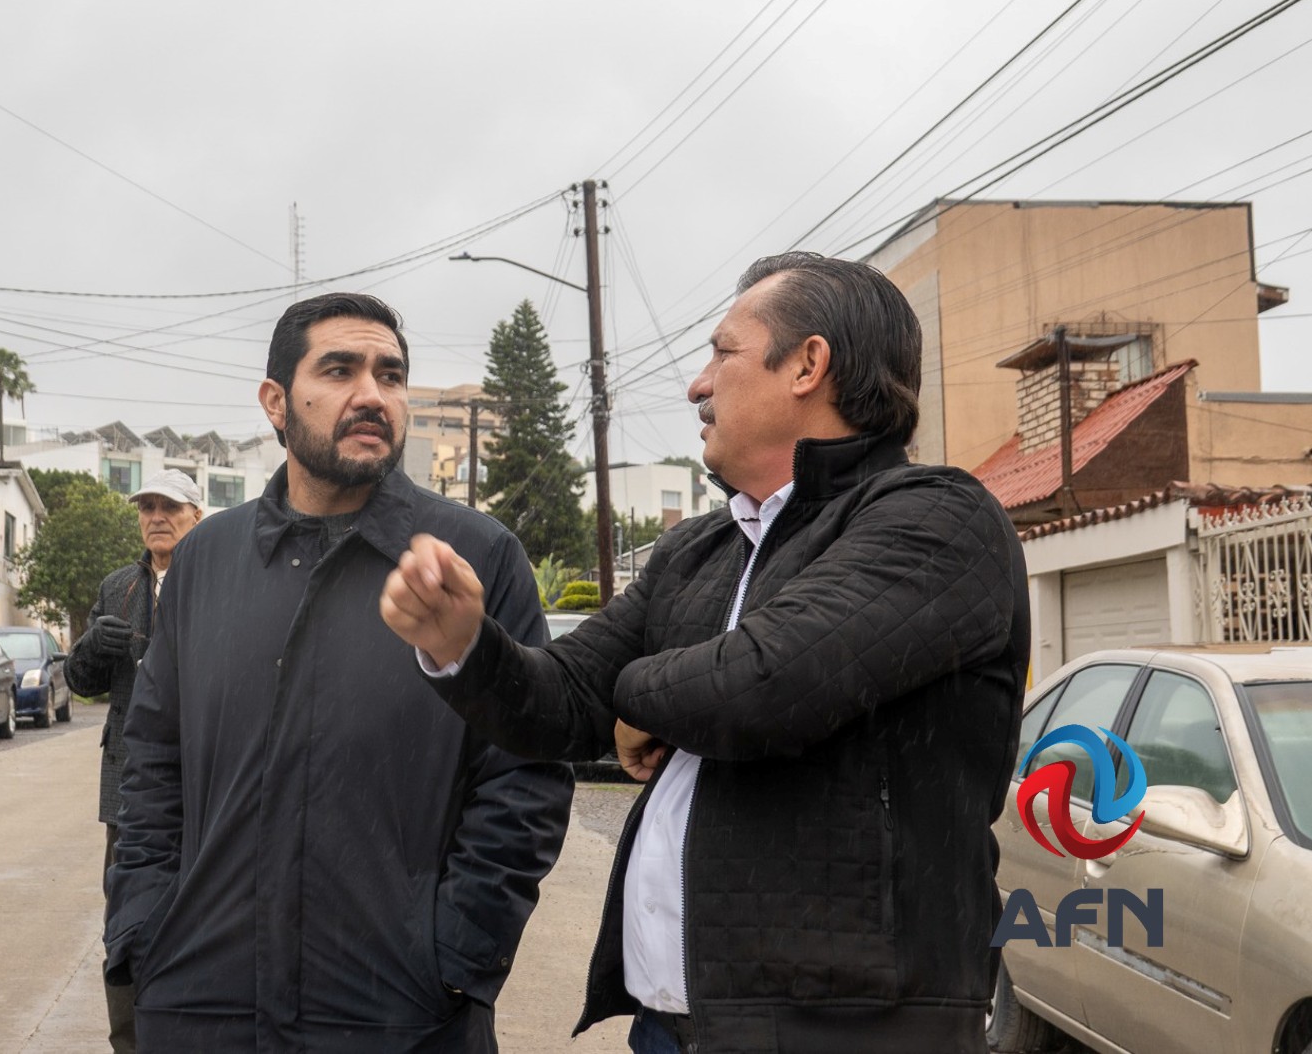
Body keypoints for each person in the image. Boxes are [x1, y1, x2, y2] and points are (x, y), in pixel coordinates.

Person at [381, 253, 1030, 1054]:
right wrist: (464, 645)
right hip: (672, 1027)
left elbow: (763, 685)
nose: (697, 385)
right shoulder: (697, 550)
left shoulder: (938, 519)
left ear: (807, 365)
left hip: (849, 1031)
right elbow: (562, 698)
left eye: (722, 353)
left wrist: (633, 699)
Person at [105, 292, 573, 1052]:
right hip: (202, 1002)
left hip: (401, 1014)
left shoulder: (475, 557)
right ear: (275, 401)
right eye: (339, 370)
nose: (372, 395)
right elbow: (152, 760)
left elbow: (525, 776)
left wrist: (455, 956)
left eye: (390, 375)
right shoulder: (204, 561)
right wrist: (143, 929)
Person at [65, 466, 205, 1054]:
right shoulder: (118, 586)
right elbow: (81, 681)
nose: (156, 518)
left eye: (169, 507)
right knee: (126, 923)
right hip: (129, 788)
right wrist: (92, 646)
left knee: (203, 920)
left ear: (196, 516)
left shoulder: (220, 580)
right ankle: (131, 1044)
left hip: (207, 784)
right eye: (147, 507)